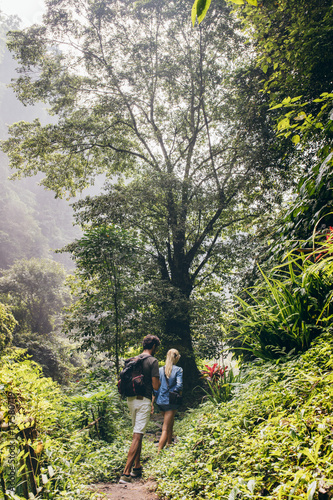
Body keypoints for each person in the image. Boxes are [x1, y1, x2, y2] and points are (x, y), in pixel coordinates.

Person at [119, 335, 161, 484]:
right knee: (137, 435)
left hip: (130, 400)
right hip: (143, 400)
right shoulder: (152, 361)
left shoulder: (132, 360)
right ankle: (125, 473)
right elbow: (156, 386)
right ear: (154, 347)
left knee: (138, 432)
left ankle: (137, 467)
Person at [154, 349, 183, 452]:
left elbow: (156, 387)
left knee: (170, 422)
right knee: (165, 427)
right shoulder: (178, 370)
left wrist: (156, 398)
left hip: (161, 401)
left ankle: (169, 444)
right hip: (171, 402)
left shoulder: (160, 370)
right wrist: (174, 392)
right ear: (176, 357)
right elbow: (179, 385)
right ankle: (159, 451)